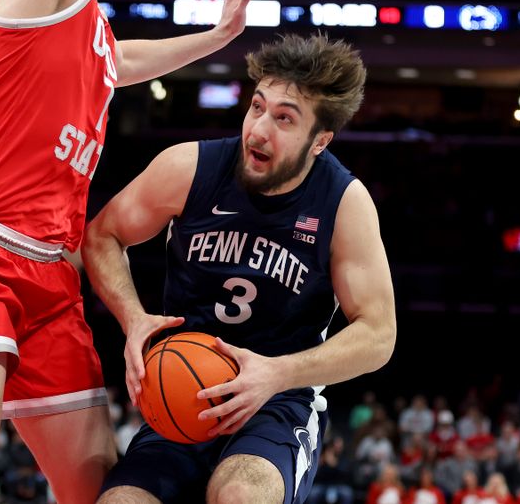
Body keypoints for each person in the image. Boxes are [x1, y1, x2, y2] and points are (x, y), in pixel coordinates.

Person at [0, 0, 257, 502]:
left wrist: (219, 35)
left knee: (98, 490)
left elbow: (119, 60)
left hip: (52, 280)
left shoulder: (89, 31)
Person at [82, 33, 397, 503]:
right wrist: (133, 319)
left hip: (278, 401)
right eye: (257, 107)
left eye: (284, 118)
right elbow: (101, 235)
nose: (259, 129)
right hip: (184, 387)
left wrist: (276, 373)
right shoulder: (189, 167)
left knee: (240, 496)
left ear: (320, 141)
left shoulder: (343, 202)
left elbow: (378, 334)